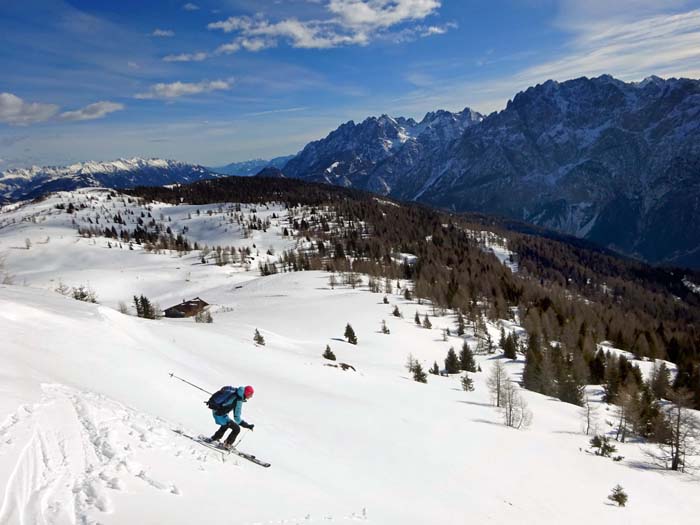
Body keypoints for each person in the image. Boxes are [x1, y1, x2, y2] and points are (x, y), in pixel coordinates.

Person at [207, 385, 255, 450]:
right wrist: (247, 425)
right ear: (247, 393)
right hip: (220, 414)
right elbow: (237, 418)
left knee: (226, 423)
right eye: (251, 395)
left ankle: (214, 438)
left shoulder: (235, 391)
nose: (251, 397)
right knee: (236, 429)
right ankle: (227, 444)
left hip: (216, 411)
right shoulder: (238, 399)